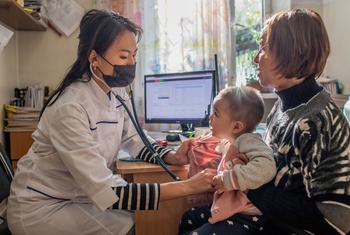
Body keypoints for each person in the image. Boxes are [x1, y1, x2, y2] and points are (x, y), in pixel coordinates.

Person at [6, 10, 215, 235]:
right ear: (94, 58)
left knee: (138, 218)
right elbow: (110, 191)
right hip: (41, 207)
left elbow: (135, 139)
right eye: (124, 57)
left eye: (134, 55)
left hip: (78, 196)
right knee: (132, 224)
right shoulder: (70, 108)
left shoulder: (116, 91)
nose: (132, 64)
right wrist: (188, 186)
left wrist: (172, 156)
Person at [246, 9, 350, 235]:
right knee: (191, 217)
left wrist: (249, 187)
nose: (256, 57)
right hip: (270, 219)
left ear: (292, 53)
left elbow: (337, 219)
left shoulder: (318, 119)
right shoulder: (283, 107)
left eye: (264, 48)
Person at [177, 86, 276, 235]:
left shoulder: (249, 141)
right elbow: (228, 154)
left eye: (216, 114)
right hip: (230, 208)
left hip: (247, 216)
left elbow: (267, 167)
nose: (210, 118)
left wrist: (227, 179)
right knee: (188, 218)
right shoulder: (233, 141)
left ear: (236, 126)